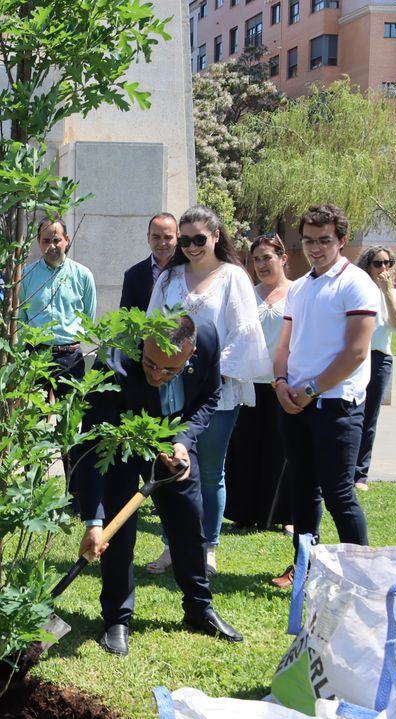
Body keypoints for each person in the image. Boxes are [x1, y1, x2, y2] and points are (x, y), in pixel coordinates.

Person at [75, 316, 244, 656]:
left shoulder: (207, 339)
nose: (156, 375)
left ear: (191, 354)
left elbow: (209, 397)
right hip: (120, 440)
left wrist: (183, 441)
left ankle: (199, 608)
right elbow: (91, 444)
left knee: (189, 521)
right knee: (119, 533)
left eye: (170, 371)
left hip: (171, 443)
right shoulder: (115, 358)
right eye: (150, 364)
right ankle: (117, 619)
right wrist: (95, 521)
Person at [145, 205, 269, 577]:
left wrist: (203, 370)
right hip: (170, 391)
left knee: (211, 471)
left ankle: (207, 548)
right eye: (185, 240)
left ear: (216, 236)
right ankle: (172, 546)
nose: (192, 247)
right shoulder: (169, 279)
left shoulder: (233, 277)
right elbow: (151, 326)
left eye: (199, 239)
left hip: (218, 392)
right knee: (171, 471)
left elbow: (244, 333)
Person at [271, 204, 380, 588]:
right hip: (295, 403)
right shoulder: (300, 287)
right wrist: (282, 383)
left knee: (338, 494)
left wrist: (311, 389)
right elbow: (284, 346)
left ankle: (362, 576)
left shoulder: (357, 284)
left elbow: (355, 352)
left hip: (337, 407)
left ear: (342, 240)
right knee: (302, 490)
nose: (316, 249)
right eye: (309, 241)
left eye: (325, 241)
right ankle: (305, 565)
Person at [19, 218, 96, 497]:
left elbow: (89, 316)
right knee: (34, 423)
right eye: (45, 240)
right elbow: (21, 318)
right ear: (38, 243)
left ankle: (73, 492)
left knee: (69, 425)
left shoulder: (82, 275)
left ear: (67, 241)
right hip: (36, 356)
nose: (51, 246)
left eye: (56, 239)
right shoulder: (26, 276)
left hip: (70, 357)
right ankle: (32, 488)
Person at [223, 233, 293, 531]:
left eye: (268, 257)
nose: (262, 264)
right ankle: (244, 512)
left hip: (283, 382)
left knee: (281, 452)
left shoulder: (298, 292)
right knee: (245, 449)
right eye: (256, 260)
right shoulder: (247, 294)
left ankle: (282, 515)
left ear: (283, 258)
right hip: (250, 382)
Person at [353, 246, 396, 491]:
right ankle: (343, 467)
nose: (383, 268)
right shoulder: (358, 290)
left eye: (388, 263)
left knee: (369, 417)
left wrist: (387, 293)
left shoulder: (394, 294)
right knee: (351, 412)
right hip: (356, 357)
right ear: (367, 265)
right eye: (378, 263)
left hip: (380, 359)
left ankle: (360, 474)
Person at [120, 213, 178, 312]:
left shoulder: (189, 270)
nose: (162, 243)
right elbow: (125, 318)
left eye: (168, 237)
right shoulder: (133, 275)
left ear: (177, 237)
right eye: (156, 237)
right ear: (148, 237)